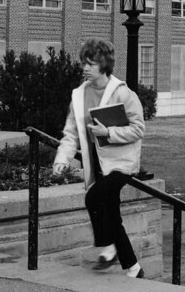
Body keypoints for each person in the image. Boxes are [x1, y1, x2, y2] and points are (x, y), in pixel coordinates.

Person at [53, 38, 146, 278]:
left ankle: (109, 250)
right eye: (84, 63)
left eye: (91, 63)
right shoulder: (79, 95)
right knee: (108, 210)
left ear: (103, 65)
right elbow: (71, 132)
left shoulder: (123, 93)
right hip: (98, 163)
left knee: (96, 197)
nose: (85, 68)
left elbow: (138, 129)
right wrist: (62, 159)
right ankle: (132, 268)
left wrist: (109, 133)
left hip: (121, 164)